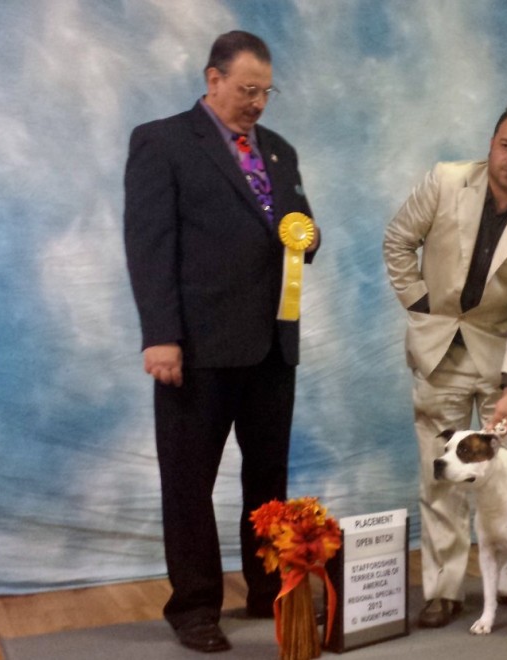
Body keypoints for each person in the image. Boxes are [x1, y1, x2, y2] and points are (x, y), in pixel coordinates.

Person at [124, 30, 319, 653]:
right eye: (247, 90)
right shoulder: (161, 142)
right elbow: (149, 247)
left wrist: (309, 237)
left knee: (268, 481)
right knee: (189, 485)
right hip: (196, 350)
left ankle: (268, 589)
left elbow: (299, 232)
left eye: (266, 92)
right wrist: (161, 337)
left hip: (272, 349)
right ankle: (194, 606)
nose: (257, 103)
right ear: (213, 80)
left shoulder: (280, 151)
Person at [383, 100, 507, 629]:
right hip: (438, 351)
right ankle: (443, 591)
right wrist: (422, 306)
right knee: (441, 475)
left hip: (504, 356)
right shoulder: (445, 180)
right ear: (491, 142)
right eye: (505, 145)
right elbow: (398, 242)